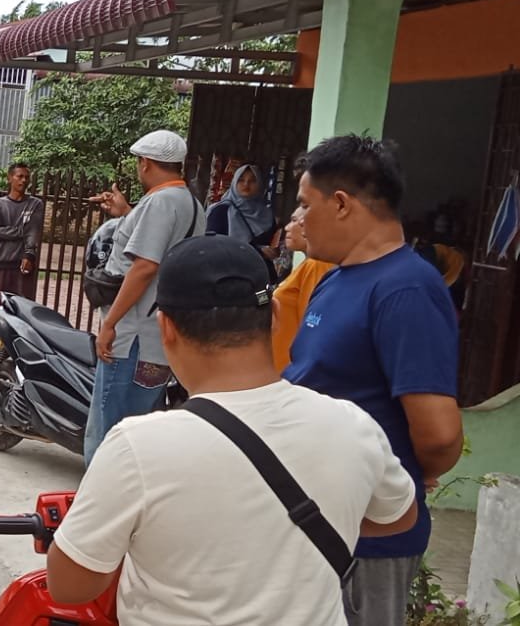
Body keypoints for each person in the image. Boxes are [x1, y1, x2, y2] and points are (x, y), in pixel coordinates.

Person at [49, 236, 417, 624]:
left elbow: (70, 586)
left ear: (166, 327)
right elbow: (397, 516)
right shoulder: (352, 424)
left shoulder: (137, 447)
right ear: (274, 315)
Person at [284, 135, 465, 626]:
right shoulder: (336, 279)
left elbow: (441, 437)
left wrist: (401, 468)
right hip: (315, 520)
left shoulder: (405, 288)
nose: (297, 217)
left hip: (368, 539)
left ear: (340, 203)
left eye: (305, 203)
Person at [83, 130, 205, 465]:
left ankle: (101, 507)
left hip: (133, 337)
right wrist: (127, 214)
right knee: (140, 433)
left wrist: (110, 323)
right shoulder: (191, 204)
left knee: (108, 437)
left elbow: (144, 266)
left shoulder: (160, 202)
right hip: (158, 340)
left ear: (146, 163)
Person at [272, 206, 335, 373]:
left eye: (294, 221)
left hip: (292, 370)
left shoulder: (317, 264)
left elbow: (310, 323)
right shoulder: (309, 264)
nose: (287, 227)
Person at [0, 162, 46, 330]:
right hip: (0, 261)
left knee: (22, 307)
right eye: (20, 176)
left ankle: (19, 343)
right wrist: (22, 231)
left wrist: (29, 254)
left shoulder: (35, 204)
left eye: (27, 177)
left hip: (23, 264)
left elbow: (34, 232)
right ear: (10, 178)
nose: (24, 180)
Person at [207, 164, 280, 270]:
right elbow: (214, 245)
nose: (246, 184)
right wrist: (258, 251)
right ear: (234, 183)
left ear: (259, 184)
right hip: (228, 273)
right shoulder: (221, 211)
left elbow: (271, 244)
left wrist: (274, 251)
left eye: (252, 181)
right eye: (241, 180)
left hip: (258, 274)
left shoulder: (267, 215)